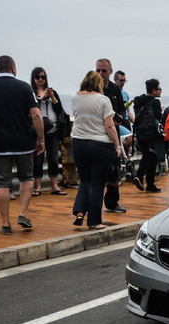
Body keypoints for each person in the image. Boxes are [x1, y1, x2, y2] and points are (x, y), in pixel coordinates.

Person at [0, 55, 44, 235]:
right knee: (26, 178)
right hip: (23, 142)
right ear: (13, 68)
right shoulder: (24, 87)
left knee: (2, 184)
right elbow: (36, 115)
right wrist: (41, 139)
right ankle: (22, 214)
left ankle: (5, 224)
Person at [70, 71, 122, 230]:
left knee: (85, 180)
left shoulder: (74, 97)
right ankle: (94, 221)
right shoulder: (103, 100)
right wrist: (117, 145)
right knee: (97, 184)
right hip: (99, 144)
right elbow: (109, 125)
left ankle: (79, 211)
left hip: (78, 142)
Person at [30, 67, 67, 196]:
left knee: (53, 158)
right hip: (38, 131)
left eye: (43, 77)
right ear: (33, 79)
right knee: (38, 159)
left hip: (53, 130)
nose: (41, 80)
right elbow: (31, 110)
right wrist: (41, 98)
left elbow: (59, 109)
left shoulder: (53, 92)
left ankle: (54, 186)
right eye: (38, 77)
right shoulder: (31, 93)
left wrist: (52, 97)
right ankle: (38, 187)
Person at [95, 58, 126, 213]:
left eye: (104, 71)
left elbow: (122, 111)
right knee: (97, 172)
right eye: (98, 70)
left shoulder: (115, 90)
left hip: (113, 134)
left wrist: (117, 118)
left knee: (114, 170)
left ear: (110, 72)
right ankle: (93, 205)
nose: (101, 74)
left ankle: (112, 203)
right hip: (97, 135)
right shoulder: (92, 89)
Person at [132, 78, 164, 193]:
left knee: (146, 155)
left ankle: (140, 177)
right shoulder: (155, 102)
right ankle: (148, 183)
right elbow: (158, 118)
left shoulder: (138, 101)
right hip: (152, 133)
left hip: (140, 132)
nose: (160, 91)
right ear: (154, 90)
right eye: (159, 89)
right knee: (152, 158)